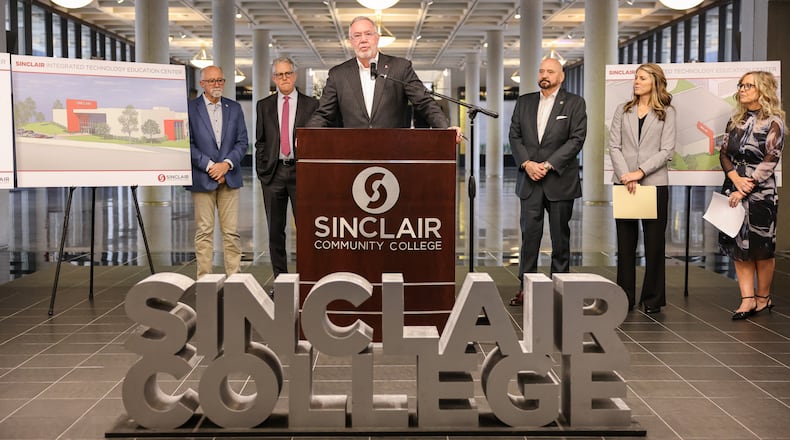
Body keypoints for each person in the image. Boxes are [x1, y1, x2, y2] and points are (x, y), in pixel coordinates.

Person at [507, 57, 587, 306]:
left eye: (550, 71)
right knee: (529, 238)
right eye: (541, 71)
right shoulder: (524, 102)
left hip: (559, 180)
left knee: (560, 239)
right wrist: (527, 163)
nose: (544, 75)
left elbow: (576, 139)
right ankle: (526, 288)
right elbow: (514, 135)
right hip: (529, 180)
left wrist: (548, 164)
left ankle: (559, 289)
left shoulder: (575, 103)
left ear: (561, 76)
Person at [308, 15, 459, 140]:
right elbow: (323, 114)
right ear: (351, 41)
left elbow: (424, 103)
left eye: (368, 34)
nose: (363, 39)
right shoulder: (338, 74)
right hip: (352, 151)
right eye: (357, 35)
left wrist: (445, 129)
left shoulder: (400, 67)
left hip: (393, 151)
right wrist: (306, 137)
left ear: (377, 38)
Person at [608, 63, 676, 314]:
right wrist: (626, 175)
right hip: (624, 183)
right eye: (636, 77)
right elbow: (614, 146)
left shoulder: (667, 112)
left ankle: (652, 299)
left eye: (642, 78)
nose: (636, 81)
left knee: (654, 244)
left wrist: (640, 172)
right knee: (625, 244)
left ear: (655, 82)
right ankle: (624, 297)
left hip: (654, 185)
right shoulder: (622, 110)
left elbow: (667, 150)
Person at [719, 71, 784, 320]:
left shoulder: (774, 122)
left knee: (762, 246)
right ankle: (747, 299)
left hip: (761, 194)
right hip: (733, 187)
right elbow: (724, 153)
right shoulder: (736, 120)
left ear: (762, 90)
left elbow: (771, 158)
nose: (742, 89)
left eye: (748, 85)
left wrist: (746, 186)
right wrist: (735, 179)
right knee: (739, 244)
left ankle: (763, 297)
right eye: (741, 85)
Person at [255, 57, 319, 285]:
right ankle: (281, 280)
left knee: (306, 230)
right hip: (273, 175)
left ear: (295, 75)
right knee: (275, 232)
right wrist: (262, 171)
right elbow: (260, 141)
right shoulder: (263, 105)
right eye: (279, 75)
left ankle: (307, 279)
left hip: (302, 174)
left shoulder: (312, 105)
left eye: (287, 73)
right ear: (274, 78)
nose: (284, 78)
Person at [186, 66, 249, 279]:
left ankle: (235, 279)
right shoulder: (190, 109)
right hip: (202, 177)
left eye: (220, 80)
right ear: (202, 84)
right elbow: (187, 143)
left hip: (230, 177)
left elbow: (242, 142)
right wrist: (210, 166)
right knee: (204, 232)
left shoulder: (234, 108)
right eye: (212, 81)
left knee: (231, 233)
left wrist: (226, 164)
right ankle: (204, 279)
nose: (217, 84)